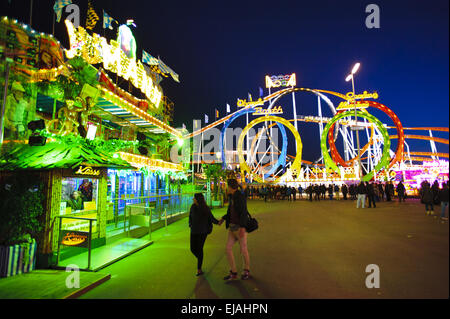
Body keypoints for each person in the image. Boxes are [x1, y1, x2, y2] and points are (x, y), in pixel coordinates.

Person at [219, 179, 251, 281]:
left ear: (231, 187)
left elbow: (243, 212)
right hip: (232, 227)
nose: (226, 188)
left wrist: (242, 227)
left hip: (239, 228)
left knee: (243, 249)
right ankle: (233, 271)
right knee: (228, 249)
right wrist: (224, 219)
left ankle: (246, 270)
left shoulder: (239, 197)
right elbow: (230, 212)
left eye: (227, 186)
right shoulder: (232, 197)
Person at [189, 193, 220, 276]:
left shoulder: (205, 208)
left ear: (197, 199)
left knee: (199, 248)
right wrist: (190, 224)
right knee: (192, 249)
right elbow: (190, 217)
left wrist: (218, 222)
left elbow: (211, 218)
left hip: (203, 232)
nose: (193, 199)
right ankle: (200, 258)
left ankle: (199, 269)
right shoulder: (193, 207)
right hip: (194, 231)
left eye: (194, 198)